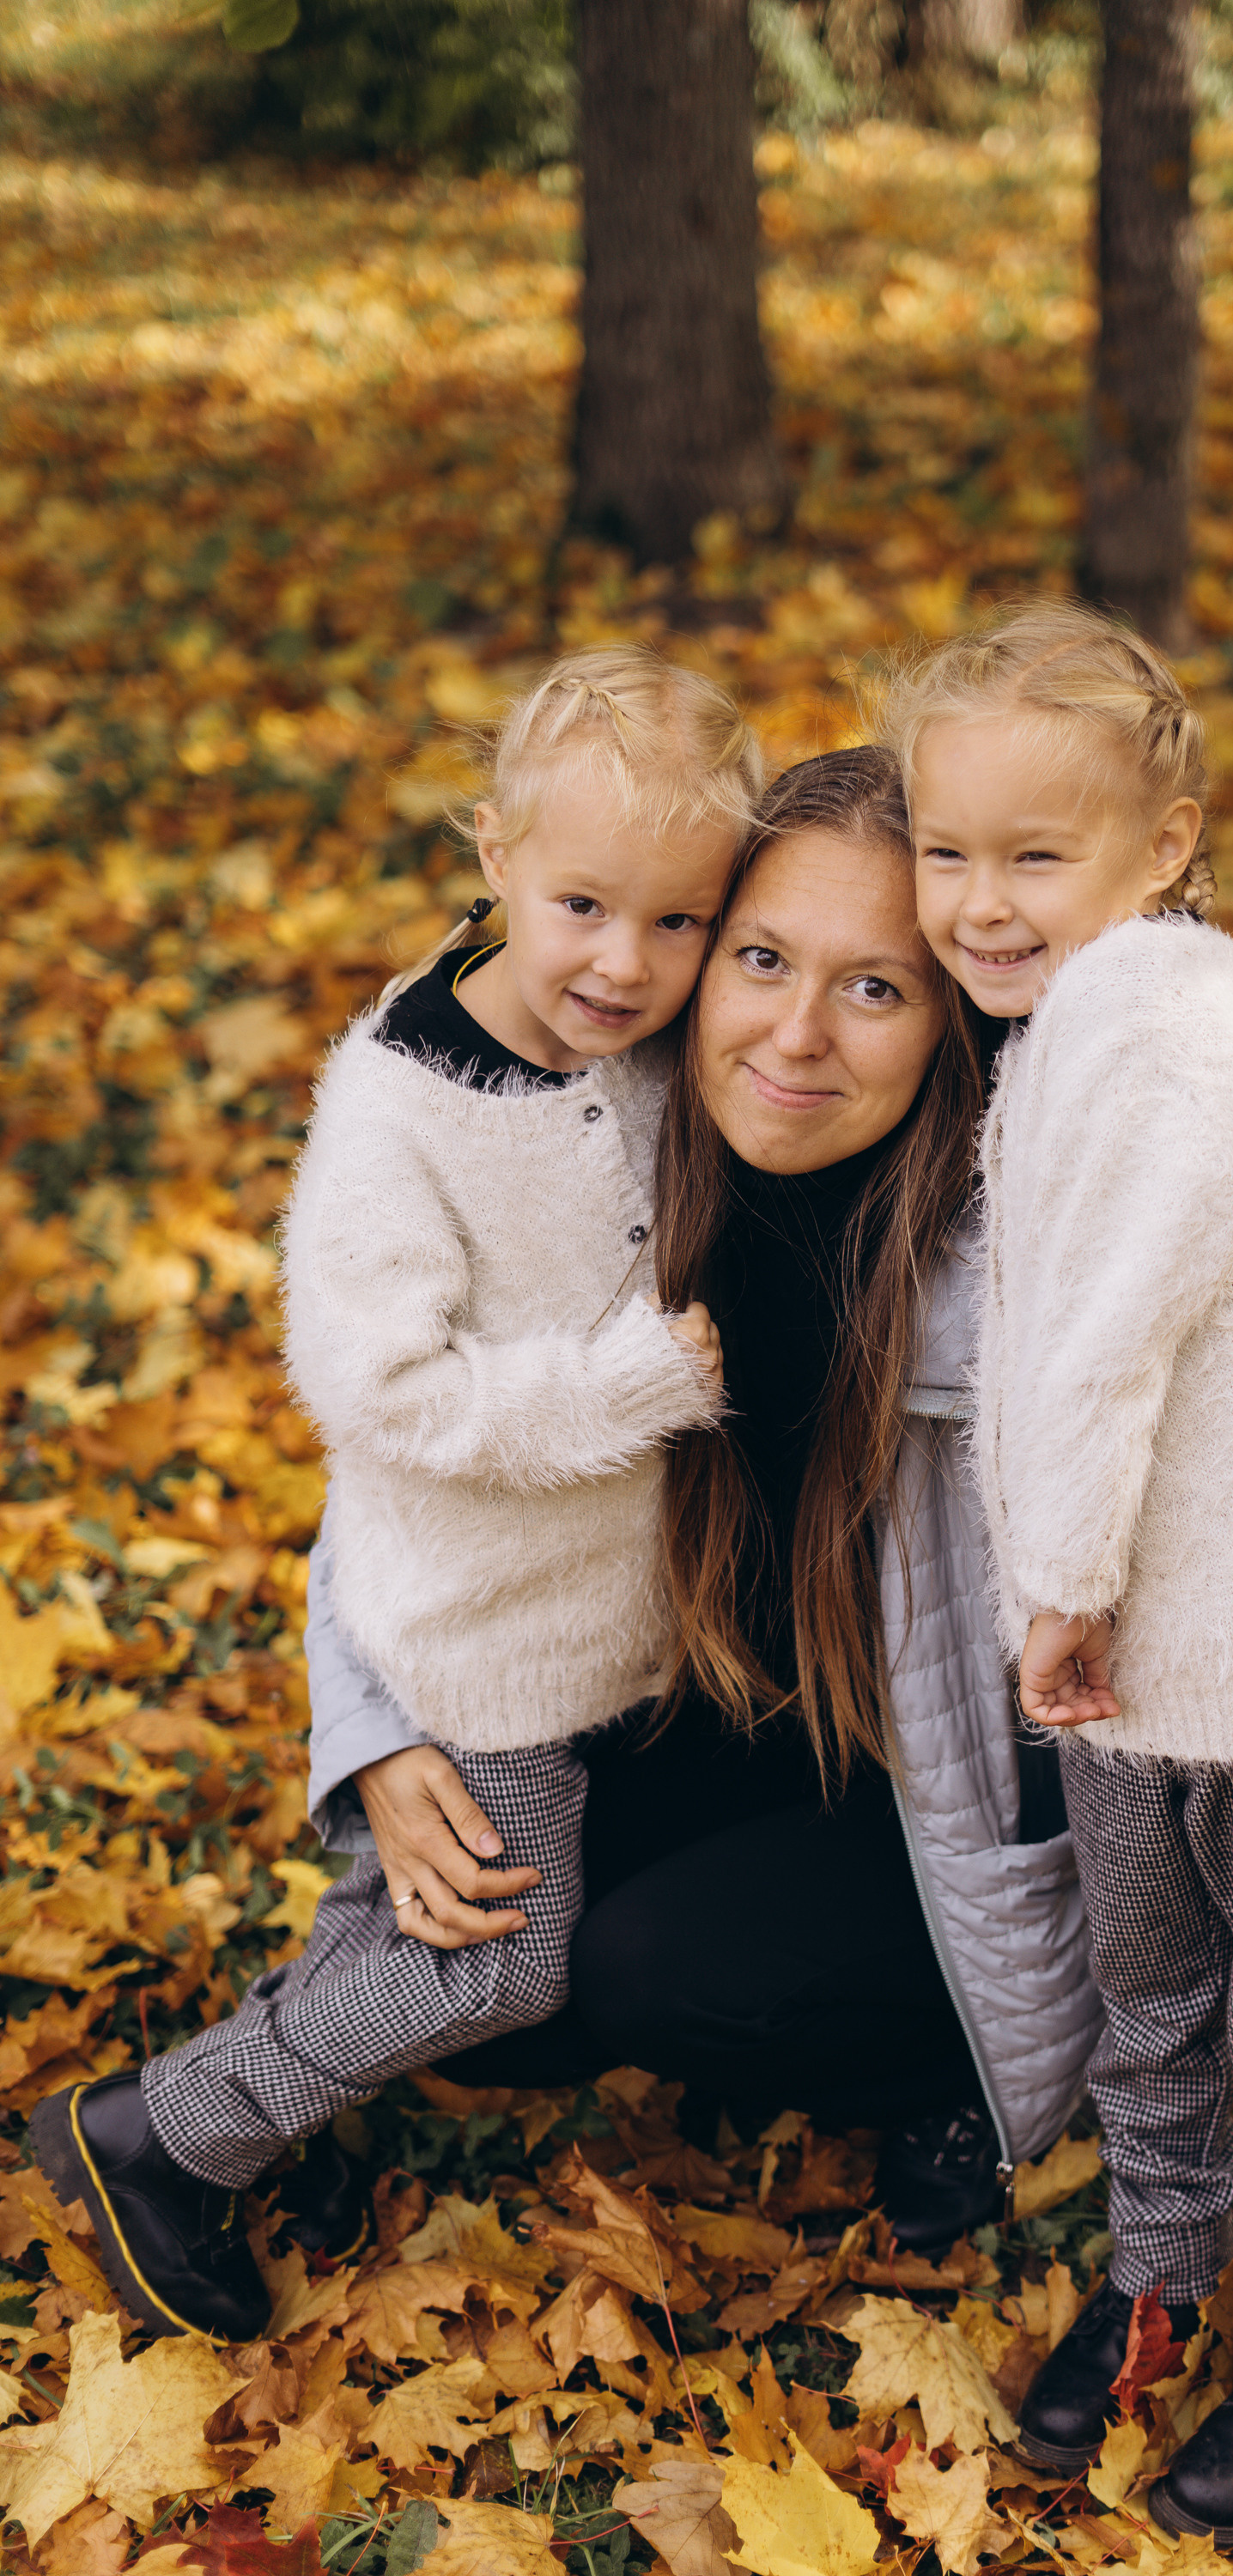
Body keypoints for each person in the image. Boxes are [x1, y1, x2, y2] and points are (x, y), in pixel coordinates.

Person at [299, 749, 1233, 2279]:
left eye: (875, 990)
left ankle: (941, 2081)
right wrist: (376, 1730)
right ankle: (241, 2116)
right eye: (762, 960)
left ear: (953, 1026)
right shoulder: (626, 1164)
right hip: (717, 1713)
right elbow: (418, 1458)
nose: (794, 1035)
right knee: (488, 1965)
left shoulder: (1043, 1287)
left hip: (964, 1816)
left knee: (646, 1975)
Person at [31, 647, 757, 2344]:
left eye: (677, 922)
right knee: (502, 1952)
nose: (625, 962)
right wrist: (642, 1382)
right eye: (582, 902)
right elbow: (384, 1394)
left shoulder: (640, 1045)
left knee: (420, 1917)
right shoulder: (398, 1113)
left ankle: (300, 2082)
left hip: (612, 1616)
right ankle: (158, 2136)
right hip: (481, 1634)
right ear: (493, 853)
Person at [884, 599, 1233, 2544]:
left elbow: (1110, 1326)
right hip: (1138, 1657)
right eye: (944, 851)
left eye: (1033, 857)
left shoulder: (1171, 1017)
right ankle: (1155, 2264)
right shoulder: (1071, 1029)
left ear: (1168, 843)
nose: (977, 904)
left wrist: (1056, 1576)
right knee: (1149, 1991)